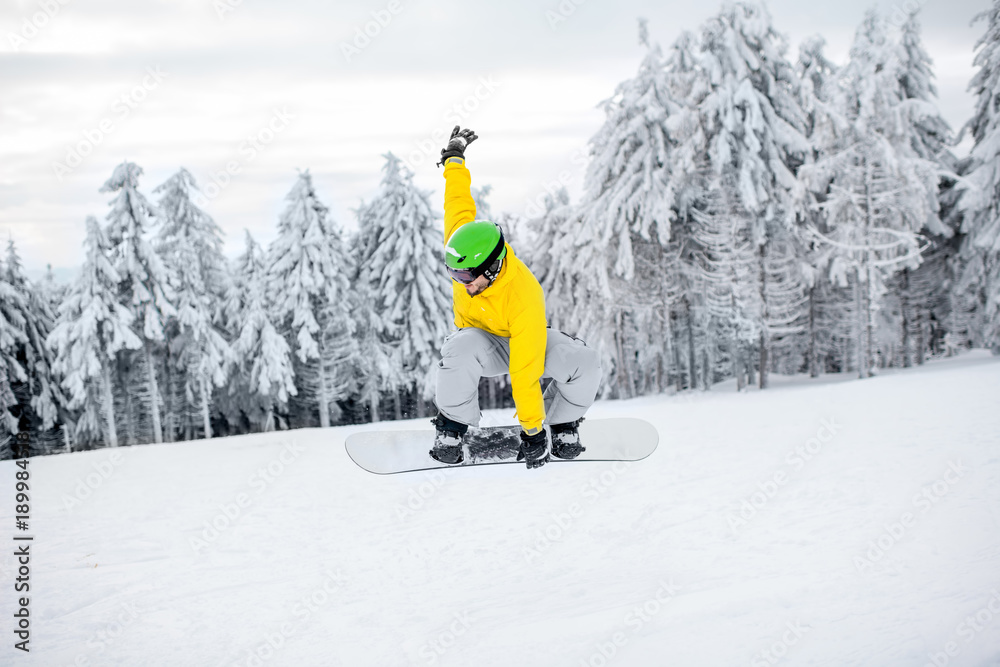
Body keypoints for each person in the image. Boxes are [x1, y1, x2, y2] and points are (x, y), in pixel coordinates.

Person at [430, 126, 602, 469]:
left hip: (525, 339)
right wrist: (454, 159)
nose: (460, 283)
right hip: (482, 343)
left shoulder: (524, 295)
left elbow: (525, 372)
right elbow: (457, 202)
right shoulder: (465, 247)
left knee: (584, 361)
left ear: (492, 269)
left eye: (466, 277)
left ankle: (562, 423)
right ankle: (452, 425)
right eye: (454, 275)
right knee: (458, 348)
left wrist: (533, 430)